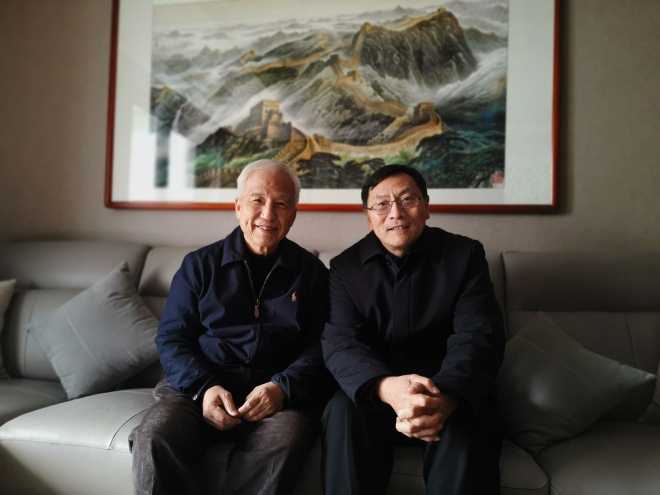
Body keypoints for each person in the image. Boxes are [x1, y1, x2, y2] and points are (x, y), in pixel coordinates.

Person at [130, 160, 331, 495]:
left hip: (276, 394)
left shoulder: (312, 274)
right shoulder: (199, 265)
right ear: (238, 207)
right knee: (156, 435)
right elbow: (172, 338)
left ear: (294, 214)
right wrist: (205, 387)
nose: (268, 214)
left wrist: (282, 387)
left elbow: (322, 345)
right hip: (197, 387)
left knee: (287, 439)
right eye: (257, 200)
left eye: (281, 204)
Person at [321, 164, 505, 495]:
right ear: (368, 216)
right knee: (341, 410)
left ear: (427, 206)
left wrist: (444, 397)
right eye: (381, 204)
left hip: (448, 389)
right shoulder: (345, 268)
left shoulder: (465, 256)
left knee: (471, 413)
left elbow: (478, 335)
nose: (396, 213)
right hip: (379, 392)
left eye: (408, 199)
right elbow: (341, 343)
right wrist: (387, 389)